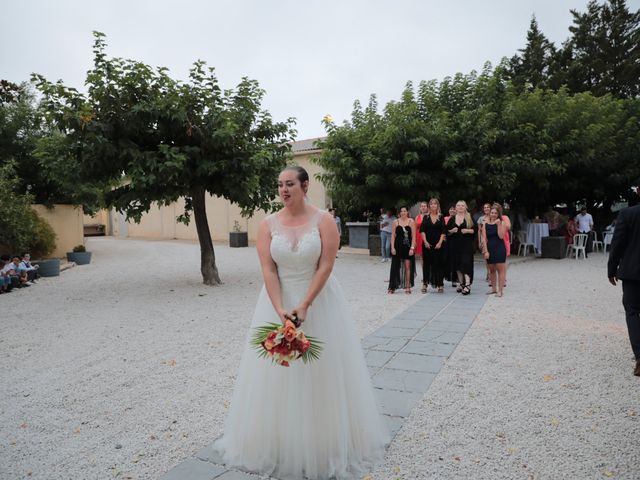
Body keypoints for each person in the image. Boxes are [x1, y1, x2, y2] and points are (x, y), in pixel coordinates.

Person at [213, 166, 387, 478]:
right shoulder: (267, 224)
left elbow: (326, 264)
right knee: (276, 373)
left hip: (319, 302)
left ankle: (322, 440)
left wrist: (305, 303)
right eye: (280, 185)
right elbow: (267, 268)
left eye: (290, 184)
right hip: (276, 302)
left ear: (305, 185)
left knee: (321, 371)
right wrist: (279, 306)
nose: (284, 190)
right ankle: (279, 440)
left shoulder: (323, 221)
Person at [608, 204, 640, 377]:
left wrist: (612, 268)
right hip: (632, 273)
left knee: (633, 312)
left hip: (632, 272)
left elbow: (618, 243)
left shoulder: (627, 214)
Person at [446, 200, 476, 295]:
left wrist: (467, 230)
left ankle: (467, 284)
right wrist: (452, 231)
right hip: (455, 245)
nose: (460, 207)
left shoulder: (469, 217)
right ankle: (461, 283)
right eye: (458, 205)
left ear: (465, 207)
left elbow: (475, 230)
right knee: (457, 264)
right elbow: (446, 232)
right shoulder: (452, 219)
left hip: (466, 245)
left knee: (466, 263)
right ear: (455, 207)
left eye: (462, 205)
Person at [420, 198, 446, 293]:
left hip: (438, 244)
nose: (433, 205)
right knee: (426, 264)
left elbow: (443, 231)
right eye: (431, 204)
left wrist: (440, 242)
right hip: (427, 244)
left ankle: (440, 284)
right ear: (429, 206)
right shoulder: (425, 217)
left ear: (437, 206)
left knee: (439, 264)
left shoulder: (441, 217)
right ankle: (425, 283)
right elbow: (422, 230)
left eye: (435, 204)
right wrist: (425, 241)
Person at [388, 206, 416, 294]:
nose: (403, 212)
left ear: (407, 212)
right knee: (395, 267)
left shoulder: (411, 221)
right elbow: (393, 236)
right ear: (399, 213)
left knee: (407, 267)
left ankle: (408, 286)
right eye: (401, 211)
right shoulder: (395, 222)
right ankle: (392, 287)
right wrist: (392, 247)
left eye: (405, 211)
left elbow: (414, 237)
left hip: (407, 248)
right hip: (397, 247)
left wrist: (412, 248)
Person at [482, 205, 507, 297]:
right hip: (489, 248)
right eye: (492, 213)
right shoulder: (485, 223)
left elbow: (501, 236)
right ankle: (493, 289)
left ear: (498, 214)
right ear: (489, 213)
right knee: (491, 270)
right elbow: (484, 238)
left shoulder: (502, 223)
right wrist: (485, 251)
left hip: (499, 248)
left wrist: (499, 224)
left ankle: (500, 290)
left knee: (500, 270)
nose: (493, 214)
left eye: (496, 213)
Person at [477, 203, 492, 283]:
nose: (486, 209)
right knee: (486, 258)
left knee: (493, 257)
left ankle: (492, 273)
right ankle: (488, 272)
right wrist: (479, 241)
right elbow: (479, 231)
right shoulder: (481, 218)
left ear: (490, 208)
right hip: (484, 239)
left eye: (487, 207)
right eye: (485, 207)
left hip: (492, 239)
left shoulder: (493, 216)